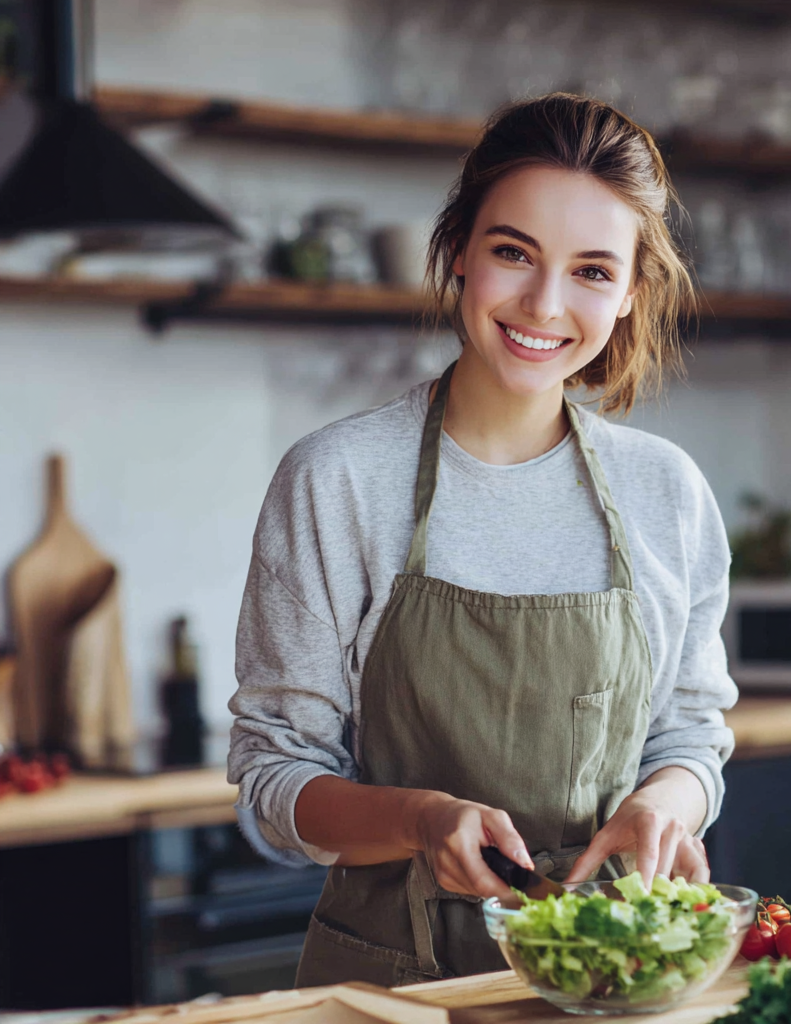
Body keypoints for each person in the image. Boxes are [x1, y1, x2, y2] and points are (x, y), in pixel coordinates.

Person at [227, 93, 738, 989]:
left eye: (591, 270)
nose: (544, 303)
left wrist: (667, 803)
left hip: (609, 976)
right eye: (514, 253)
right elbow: (276, 783)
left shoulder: (668, 492)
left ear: (628, 297)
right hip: (389, 985)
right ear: (460, 250)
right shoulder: (338, 479)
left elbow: (691, 736)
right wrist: (421, 819)